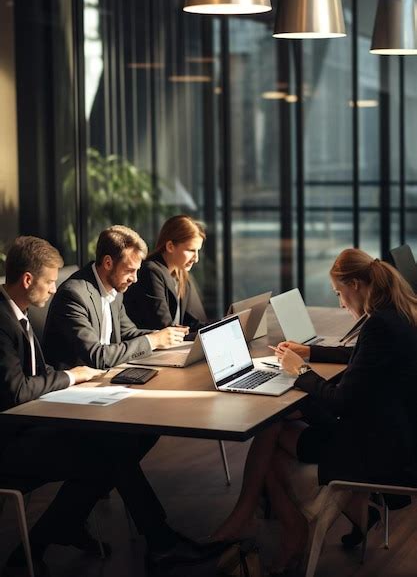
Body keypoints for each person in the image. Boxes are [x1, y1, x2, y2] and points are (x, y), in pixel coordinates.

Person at [0, 236, 221, 575]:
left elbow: (40, 371)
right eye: (49, 283)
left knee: (119, 447)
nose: (54, 290)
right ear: (28, 280)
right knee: (111, 453)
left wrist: (169, 340)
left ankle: (60, 534)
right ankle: (158, 542)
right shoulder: (4, 320)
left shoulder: (18, 314)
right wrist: (72, 377)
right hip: (13, 440)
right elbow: (16, 390)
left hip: (37, 421)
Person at [212, 249, 417, 572]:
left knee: (273, 431)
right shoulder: (399, 313)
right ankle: (289, 523)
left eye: (339, 293)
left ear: (355, 285)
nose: (340, 303)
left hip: (378, 451)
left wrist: (300, 371)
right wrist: (308, 351)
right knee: (278, 429)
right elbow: (362, 362)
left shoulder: (379, 326)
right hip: (395, 435)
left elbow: (339, 401)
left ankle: (267, 523)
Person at [43, 225, 189, 370]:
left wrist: (163, 335)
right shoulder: (73, 296)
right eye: (129, 270)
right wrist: (153, 341)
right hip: (73, 386)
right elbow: (97, 356)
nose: (135, 279)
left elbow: (127, 333)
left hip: (104, 376)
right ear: (108, 263)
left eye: (137, 271)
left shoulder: (115, 288)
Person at [124, 215, 207, 333]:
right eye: (190, 250)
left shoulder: (181, 275)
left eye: (198, 251)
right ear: (170, 246)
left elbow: (192, 322)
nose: (196, 258)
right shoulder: (151, 273)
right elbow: (163, 328)